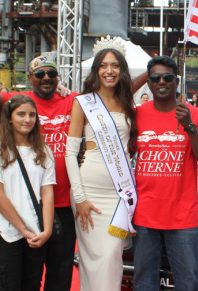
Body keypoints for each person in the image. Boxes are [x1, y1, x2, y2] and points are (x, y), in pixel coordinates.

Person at [0, 36, 149, 289]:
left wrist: (153, 73)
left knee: (64, 270)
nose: (47, 77)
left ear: (58, 78)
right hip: (34, 202)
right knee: (29, 272)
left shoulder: (72, 100)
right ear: (31, 78)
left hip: (65, 199)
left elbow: (114, 94)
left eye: (52, 73)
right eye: (40, 74)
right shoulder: (20, 102)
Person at [133, 56, 198, 290]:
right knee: (144, 282)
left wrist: (189, 125)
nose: (162, 82)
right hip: (144, 213)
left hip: (182, 216)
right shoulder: (137, 114)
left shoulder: (194, 115)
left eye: (167, 77)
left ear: (176, 81)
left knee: (187, 282)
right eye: (155, 78)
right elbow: (114, 97)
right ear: (148, 83)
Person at [64, 40, 138, 290]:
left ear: (122, 70)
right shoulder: (83, 102)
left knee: (112, 257)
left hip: (120, 196)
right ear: (96, 70)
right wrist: (80, 197)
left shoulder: (129, 104)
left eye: (115, 65)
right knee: (93, 259)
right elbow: (70, 153)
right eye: (104, 66)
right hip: (90, 194)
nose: (110, 71)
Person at [0, 95, 55, 290]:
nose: (27, 119)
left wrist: (46, 231)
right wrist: (22, 229)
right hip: (6, 231)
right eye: (21, 114)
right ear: (10, 118)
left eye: (32, 115)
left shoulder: (43, 150)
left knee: (32, 284)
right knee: (8, 285)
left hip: (36, 232)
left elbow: (47, 193)